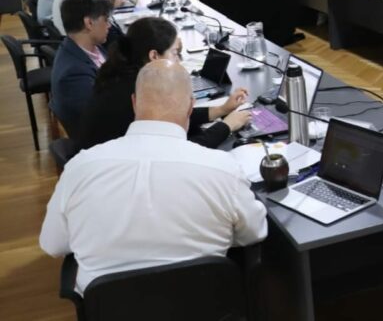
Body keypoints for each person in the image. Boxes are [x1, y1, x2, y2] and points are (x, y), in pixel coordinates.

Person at [40, 59, 267, 295]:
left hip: (113, 308)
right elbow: (254, 232)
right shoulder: (224, 170)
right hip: (204, 303)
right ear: (191, 107)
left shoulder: (79, 168)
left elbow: (53, 244)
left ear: (134, 103)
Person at [80, 17, 251, 150]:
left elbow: (172, 114)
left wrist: (220, 110)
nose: (179, 61)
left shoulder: (122, 73)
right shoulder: (137, 90)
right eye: (175, 53)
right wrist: (226, 126)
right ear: (154, 56)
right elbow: (179, 151)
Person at [50, 0, 113, 139]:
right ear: (89, 23)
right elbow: (100, 120)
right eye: (106, 20)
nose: (109, 25)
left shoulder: (92, 48)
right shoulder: (73, 74)